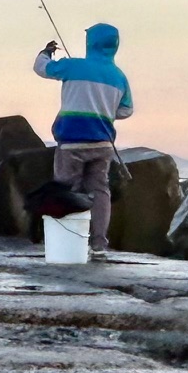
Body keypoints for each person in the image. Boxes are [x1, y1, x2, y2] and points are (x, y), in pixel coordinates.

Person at [34, 25, 134, 254]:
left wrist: (46, 52)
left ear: (91, 42)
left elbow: (40, 68)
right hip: (103, 144)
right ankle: (99, 243)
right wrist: (105, 110)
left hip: (72, 142)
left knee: (66, 188)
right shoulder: (119, 76)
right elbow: (126, 110)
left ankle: (66, 242)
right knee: (100, 191)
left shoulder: (73, 66)